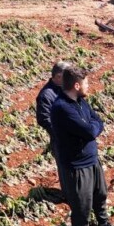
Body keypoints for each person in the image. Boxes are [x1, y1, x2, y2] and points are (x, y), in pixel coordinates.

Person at [51, 66, 114, 226]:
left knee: (100, 194)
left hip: (92, 159)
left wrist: (93, 127)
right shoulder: (62, 108)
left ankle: (103, 222)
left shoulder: (81, 101)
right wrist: (92, 128)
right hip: (76, 165)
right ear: (76, 85)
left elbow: (97, 121)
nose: (89, 86)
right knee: (81, 207)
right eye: (86, 83)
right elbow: (91, 131)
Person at [36, 61, 71, 190]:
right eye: (67, 75)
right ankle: (69, 195)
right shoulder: (46, 95)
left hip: (74, 135)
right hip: (61, 138)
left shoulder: (66, 87)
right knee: (66, 168)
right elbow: (43, 118)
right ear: (58, 76)